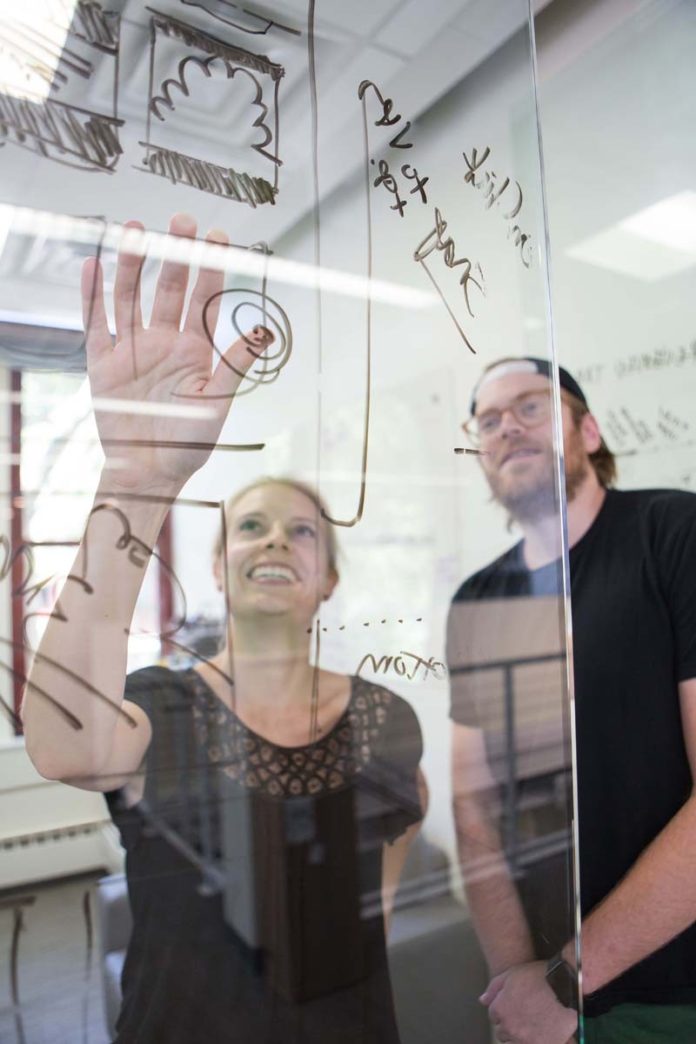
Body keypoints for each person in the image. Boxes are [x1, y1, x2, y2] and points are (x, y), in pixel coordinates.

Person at [22, 214, 425, 1044]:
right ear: (218, 570)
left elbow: (377, 894)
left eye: (302, 530)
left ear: (330, 580)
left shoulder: (388, 717)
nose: (275, 539)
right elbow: (65, 749)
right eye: (250, 528)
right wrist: (136, 480)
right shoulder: (161, 702)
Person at [448, 356, 696, 1044]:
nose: (507, 429)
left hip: (675, 993)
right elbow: (475, 808)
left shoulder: (674, 533)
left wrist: (562, 979)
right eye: (488, 421)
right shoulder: (477, 600)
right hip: (545, 999)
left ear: (588, 431)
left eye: (531, 407)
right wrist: (518, 987)